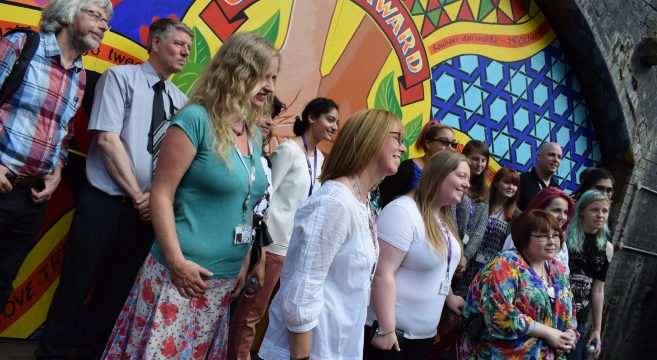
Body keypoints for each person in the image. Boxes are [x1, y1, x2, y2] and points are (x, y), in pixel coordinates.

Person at [100, 31, 278, 359]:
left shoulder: (251, 132)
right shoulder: (194, 120)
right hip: (178, 279)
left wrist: (243, 260)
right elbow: (161, 195)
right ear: (237, 72)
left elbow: (245, 206)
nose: (269, 87)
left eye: (273, 78)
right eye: (262, 76)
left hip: (222, 281)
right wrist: (177, 262)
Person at [36, 18, 192, 359]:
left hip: (148, 214)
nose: (185, 53)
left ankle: (94, 353)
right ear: (155, 43)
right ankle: (51, 353)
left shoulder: (182, 102)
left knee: (117, 290)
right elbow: (107, 139)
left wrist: (156, 202)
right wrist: (140, 195)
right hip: (105, 202)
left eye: (189, 49)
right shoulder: (120, 78)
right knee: (75, 284)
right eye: (179, 44)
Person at [258, 109, 406, 360]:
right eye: (397, 138)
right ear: (371, 138)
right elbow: (301, 296)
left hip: (334, 348)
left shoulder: (361, 200)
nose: (403, 148)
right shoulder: (335, 202)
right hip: (309, 352)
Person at [0, 0, 112, 312]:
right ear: (67, 13)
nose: (104, 26)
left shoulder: (79, 75)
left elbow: (61, 135)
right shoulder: (21, 45)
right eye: (96, 16)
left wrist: (57, 170)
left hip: (31, 200)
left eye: (107, 21)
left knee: (3, 281)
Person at [228, 97, 339, 359]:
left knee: (278, 318)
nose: (335, 127)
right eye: (330, 119)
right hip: (272, 247)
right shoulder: (289, 150)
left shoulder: (320, 159)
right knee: (250, 315)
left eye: (336, 122)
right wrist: (261, 250)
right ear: (312, 117)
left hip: (295, 252)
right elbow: (263, 198)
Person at [364, 150, 468, 359]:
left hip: (422, 339)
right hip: (391, 338)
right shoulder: (403, 212)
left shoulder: (442, 217)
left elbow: (438, 266)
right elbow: (382, 274)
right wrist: (386, 329)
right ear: (438, 174)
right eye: (461, 176)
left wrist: (448, 297)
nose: (467, 184)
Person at [459, 210, 578, 359]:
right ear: (524, 237)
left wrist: (570, 333)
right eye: (542, 236)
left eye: (555, 235)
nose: (552, 241)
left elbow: (570, 309)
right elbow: (500, 314)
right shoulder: (505, 264)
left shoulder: (556, 268)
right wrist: (548, 333)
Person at [452, 167, 520, 295]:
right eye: (507, 182)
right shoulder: (481, 204)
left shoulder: (516, 216)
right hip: (468, 260)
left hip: (491, 269)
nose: (511, 187)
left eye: (515, 184)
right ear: (496, 183)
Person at [565, 190, 613, 360]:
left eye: (605, 211)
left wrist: (597, 330)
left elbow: (598, 290)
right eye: (595, 210)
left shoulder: (607, 247)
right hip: (555, 310)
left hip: (579, 318)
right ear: (582, 211)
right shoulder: (564, 236)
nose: (600, 215)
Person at [377, 120, 456, 208]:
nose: (450, 148)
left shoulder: (447, 175)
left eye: (453, 144)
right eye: (444, 142)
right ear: (428, 144)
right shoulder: (406, 168)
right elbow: (384, 203)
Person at [503, 187, 575, 273]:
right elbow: (505, 270)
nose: (562, 217)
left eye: (565, 212)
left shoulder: (562, 243)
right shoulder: (518, 236)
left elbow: (564, 277)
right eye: (556, 210)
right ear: (540, 210)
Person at [453, 140, 489, 290]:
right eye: (475, 159)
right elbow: (451, 217)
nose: (479, 164)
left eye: (483, 160)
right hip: (451, 247)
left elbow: (480, 231)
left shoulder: (485, 191)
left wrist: (465, 258)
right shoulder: (456, 181)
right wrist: (457, 253)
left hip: (466, 260)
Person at [518, 142, 563, 210]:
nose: (556, 160)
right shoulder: (521, 180)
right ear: (539, 157)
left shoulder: (558, 190)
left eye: (559, 157)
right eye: (551, 155)